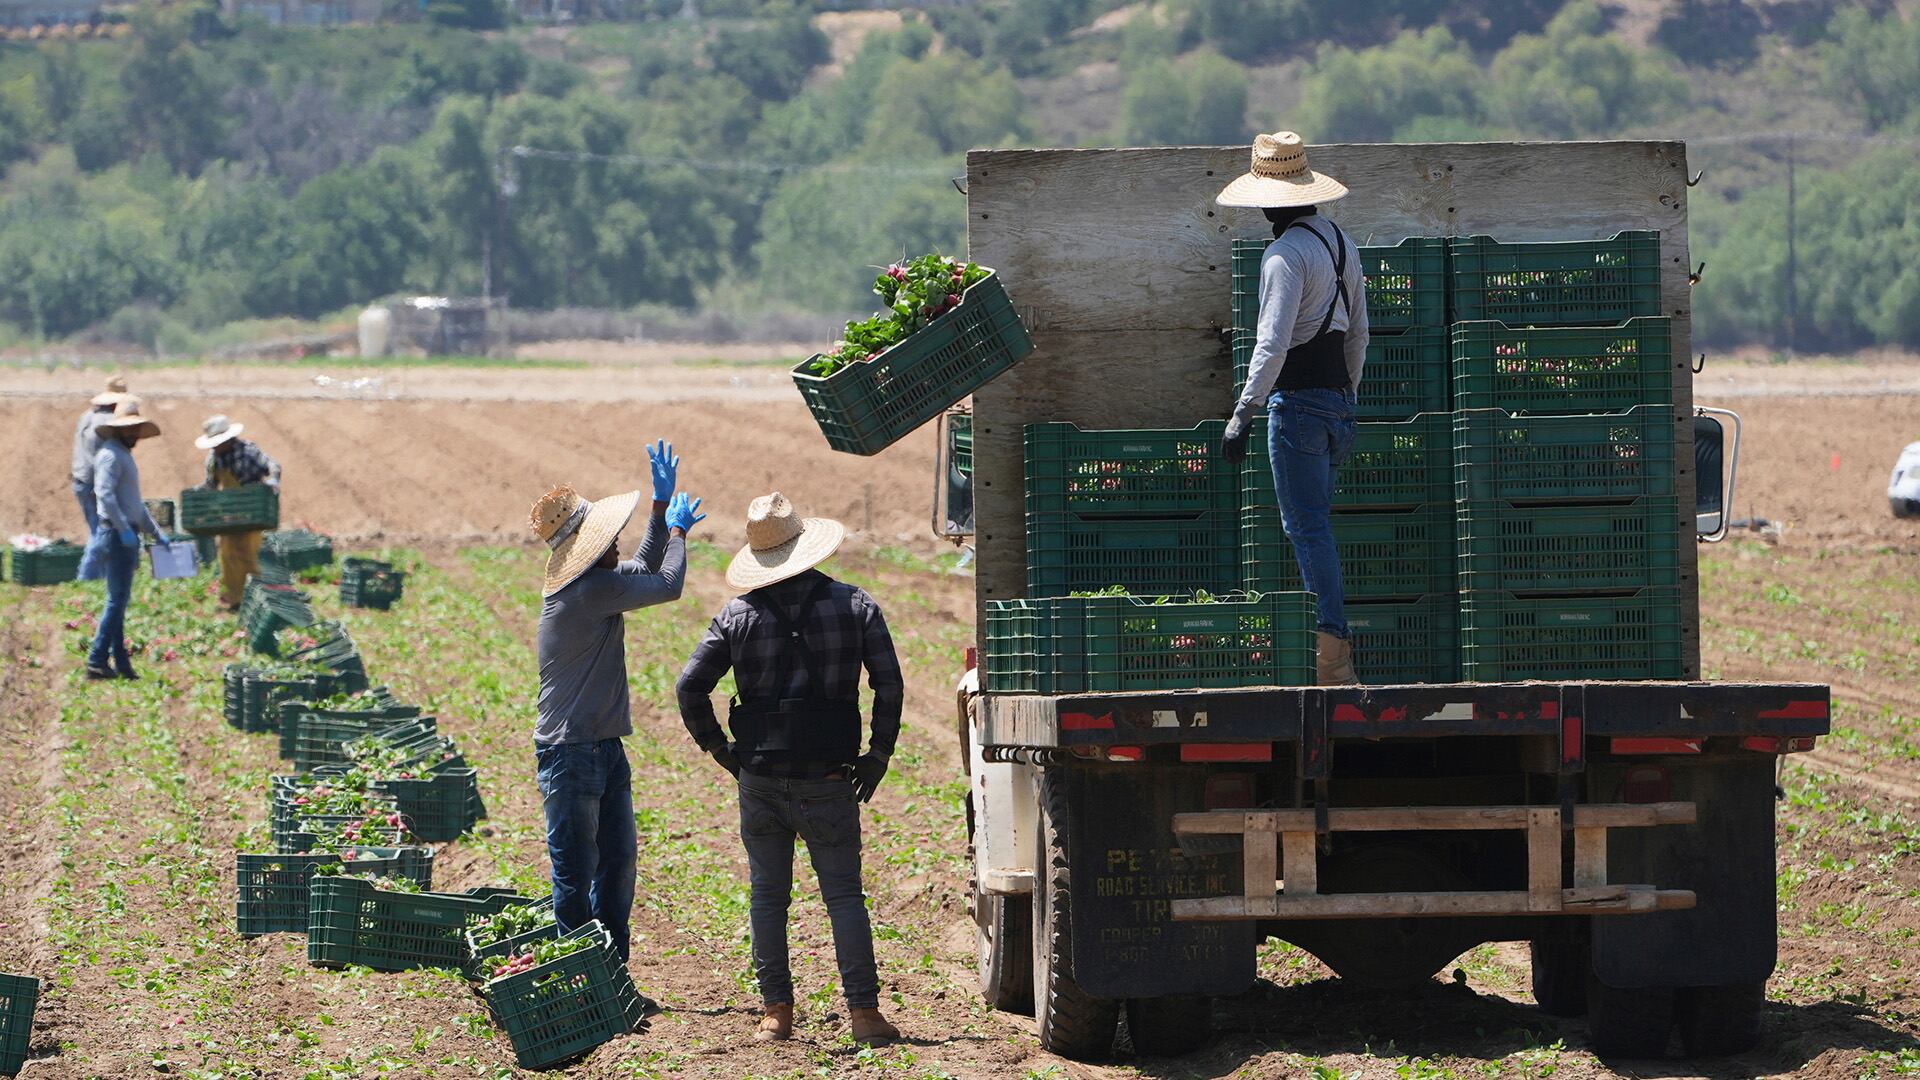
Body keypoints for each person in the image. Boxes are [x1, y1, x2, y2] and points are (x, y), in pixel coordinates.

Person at [674, 492, 904, 1047]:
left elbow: (690, 687)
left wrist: (722, 750)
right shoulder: (856, 606)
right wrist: (877, 755)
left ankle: (777, 1013)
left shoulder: (737, 615)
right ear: (805, 544)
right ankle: (865, 1015)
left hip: (759, 778)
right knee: (844, 897)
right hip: (829, 779)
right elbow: (889, 684)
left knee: (768, 897)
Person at [529, 440, 703, 969]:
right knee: (576, 874)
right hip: (571, 752)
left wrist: (657, 507)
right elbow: (666, 583)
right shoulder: (586, 593)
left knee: (618, 864)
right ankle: (585, 983)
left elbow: (642, 567)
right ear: (588, 547)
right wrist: (676, 530)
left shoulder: (596, 581)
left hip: (602, 748)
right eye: (610, 538)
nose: (617, 544)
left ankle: (612, 975)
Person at [1216, 131, 1370, 684]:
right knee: (1315, 524)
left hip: (1299, 405)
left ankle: (1332, 656)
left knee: (1307, 528)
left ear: (1264, 199)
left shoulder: (1283, 256)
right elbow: (1359, 332)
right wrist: (1346, 397)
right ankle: (1327, 647)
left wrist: (1244, 411)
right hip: (1335, 403)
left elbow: (1272, 342)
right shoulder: (1339, 242)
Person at [86, 398, 166, 681]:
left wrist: (155, 533)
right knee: (116, 601)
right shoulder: (110, 456)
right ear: (117, 430)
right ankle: (96, 660)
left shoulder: (123, 455)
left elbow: (135, 504)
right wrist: (122, 529)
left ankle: (121, 663)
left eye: (135, 429)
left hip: (124, 533)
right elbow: (105, 496)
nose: (133, 434)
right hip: (115, 535)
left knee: (118, 600)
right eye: (128, 429)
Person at [194, 416, 280, 610]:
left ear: (228, 440)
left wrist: (273, 481)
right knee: (227, 554)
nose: (215, 448)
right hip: (228, 513)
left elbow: (273, 466)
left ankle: (255, 599)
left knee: (247, 554)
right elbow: (211, 485)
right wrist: (200, 494)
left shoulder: (248, 451)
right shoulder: (213, 459)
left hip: (251, 511)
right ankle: (233, 599)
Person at [71, 376, 130, 535]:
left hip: (81, 480)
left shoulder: (87, 415)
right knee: (105, 532)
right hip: (95, 482)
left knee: (96, 528)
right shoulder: (111, 422)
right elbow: (108, 459)